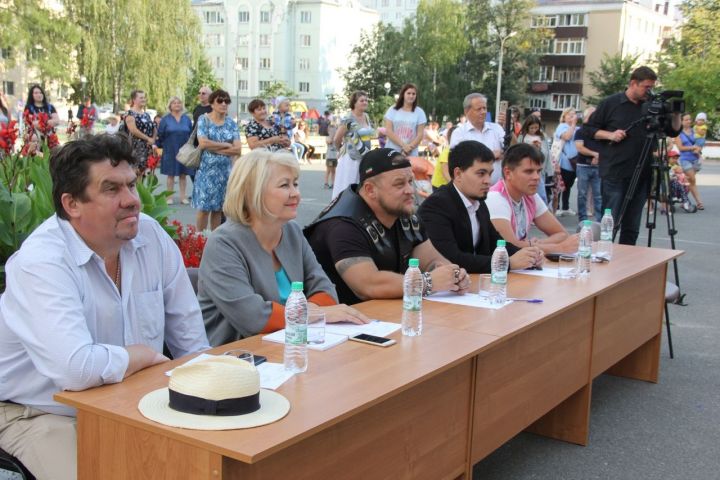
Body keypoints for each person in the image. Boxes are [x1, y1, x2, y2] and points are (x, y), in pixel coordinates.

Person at [0, 134, 210, 480]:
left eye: (131, 184)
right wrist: (140, 355)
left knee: (205, 463)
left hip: (132, 401)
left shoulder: (151, 238)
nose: (132, 201)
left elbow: (192, 343)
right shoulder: (42, 262)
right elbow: (75, 370)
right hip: (41, 412)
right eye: (112, 190)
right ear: (72, 205)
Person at [200, 149, 369, 345]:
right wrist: (316, 314)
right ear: (252, 193)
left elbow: (325, 288)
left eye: (295, 184)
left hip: (294, 347)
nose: (296, 193)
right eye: (284, 185)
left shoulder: (291, 232)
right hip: (239, 360)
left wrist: (308, 315)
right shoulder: (223, 244)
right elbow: (254, 318)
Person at [305, 148, 471, 305]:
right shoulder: (342, 225)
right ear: (370, 190)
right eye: (399, 184)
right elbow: (368, 285)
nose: (410, 190)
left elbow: (432, 260)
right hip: (335, 325)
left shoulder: (402, 213)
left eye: (410, 182)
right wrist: (429, 282)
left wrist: (453, 275)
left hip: (379, 317)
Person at [584, 66, 681, 245]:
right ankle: (604, 257)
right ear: (633, 83)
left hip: (643, 173)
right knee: (610, 223)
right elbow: (588, 130)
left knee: (632, 226)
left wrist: (676, 112)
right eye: (646, 87)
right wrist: (610, 135)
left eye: (652, 87)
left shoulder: (652, 105)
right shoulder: (611, 103)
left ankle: (627, 264)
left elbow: (673, 131)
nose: (649, 91)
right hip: (615, 172)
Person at [418, 140, 544, 273]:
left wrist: (528, 255)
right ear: (458, 174)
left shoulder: (479, 203)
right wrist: (507, 262)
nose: (488, 181)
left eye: (490, 174)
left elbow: (496, 243)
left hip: (473, 285)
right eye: (481, 173)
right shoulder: (436, 206)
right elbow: (450, 258)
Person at [486, 143, 578, 253]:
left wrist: (533, 244)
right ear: (508, 173)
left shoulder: (530, 196)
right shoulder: (496, 198)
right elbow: (509, 247)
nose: (536, 177)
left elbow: (562, 234)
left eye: (538, 171)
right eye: (529, 171)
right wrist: (560, 248)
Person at [193, 89, 242, 231]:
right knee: (203, 209)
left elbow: (237, 149)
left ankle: (214, 238)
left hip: (224, 173)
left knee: (218, 209)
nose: (224, 104)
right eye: (220, 101)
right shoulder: (204, 119)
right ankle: (199, 238)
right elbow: (202, 143)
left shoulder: (231, 124)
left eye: (226, 101)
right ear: (212, 104)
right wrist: (226, 145)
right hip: (206, 172)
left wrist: (214, 148)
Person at [450, 93, 505, 185]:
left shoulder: (497, 128)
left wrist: (508, 127)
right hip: (472, 190)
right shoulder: (459, 133)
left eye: (485, 108)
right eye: (479, 109)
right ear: (467, 111)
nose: (483, 112)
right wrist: (491, 155)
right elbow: (460, 160)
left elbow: (511, 151)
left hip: (498, 189)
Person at [331, 90, 374, 199]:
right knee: (347, 185)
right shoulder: (348, 119)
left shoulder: (367, 117)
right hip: (350, 159)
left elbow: (369, 135)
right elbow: (337, 138)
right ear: (354, 103)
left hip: (365, 157)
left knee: (361, 186)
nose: (365, 102)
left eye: (366, 100)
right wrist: (340, 150)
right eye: (362, 100)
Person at [157, 96, 194, 205]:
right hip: (170, 149)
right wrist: (160, 146)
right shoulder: (165, 119)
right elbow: (160, 134)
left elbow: (191, 134)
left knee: (183, 175)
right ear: (170, 106)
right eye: (174, 103)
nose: (177, 104)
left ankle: (183, 197)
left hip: (184, 150)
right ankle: (169, 197)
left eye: (178, 103)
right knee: (171, 175)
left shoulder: (186, 119)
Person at [574, 106, 603, 222]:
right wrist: (595, 154)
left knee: (599, 195)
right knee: (582, 194)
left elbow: (606, 147)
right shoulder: (580, 131)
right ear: (586, 117)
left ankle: (600, 220)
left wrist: (599, 156)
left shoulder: (600, 132)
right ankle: (582, 218)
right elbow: (579, 148)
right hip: (583, 166)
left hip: (598, 166)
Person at [384, 83, 427, 157]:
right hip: (392, 151)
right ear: (403, 94)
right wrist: (403, 146)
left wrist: (409, 148)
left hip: (411, 153)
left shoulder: (420, 112)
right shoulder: (392, 110)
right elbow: (388, 131)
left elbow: (420, 135)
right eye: (408, 93)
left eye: (414, 94)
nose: (411, 96)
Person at [674, 113, 704, 210]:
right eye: (686, 120)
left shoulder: (694, 130)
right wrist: (692, 147)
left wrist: (698, 148)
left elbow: (700, 142)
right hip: (685, 159)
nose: (689, 121)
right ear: (681, 121)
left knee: (689, 181)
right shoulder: (678, 133)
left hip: (695, 159)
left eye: (689, 119)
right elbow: (680, 148)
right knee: (692, 180)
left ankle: (684, 200)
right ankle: (699, 202)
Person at [518, 115, 551, 204]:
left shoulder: (542, 136)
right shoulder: (522, 137)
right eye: (531, 128)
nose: (534, 130)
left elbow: (547, 153)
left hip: (539, 168)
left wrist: (539, 148)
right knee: (527, 193)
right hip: (526, 167)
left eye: (536, 128)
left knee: (541, 194)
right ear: (527, 127)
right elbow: (518, 151)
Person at [554, 107, 579, 217]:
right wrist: (572, 125)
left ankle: (565, 206)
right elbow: (567, 137)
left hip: (574, 162)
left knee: (569, 185)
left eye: (574, 115)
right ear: (564, 117)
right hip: (563, 161)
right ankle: (557, 206)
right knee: (560, 185)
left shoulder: (577, 128)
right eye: (570, 115)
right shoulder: (562, 127)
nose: (572, 117)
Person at [124, 89, 156, 174]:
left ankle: (141, 187)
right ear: (134, 100)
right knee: (136, 173)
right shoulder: (130, 114)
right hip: (136, 148)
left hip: (147, 148)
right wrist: (148, 138)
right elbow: (133, 130)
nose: (143, 99)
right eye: (141, 98)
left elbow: (153, 127)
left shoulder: (146, 114)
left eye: (144, 97)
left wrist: (153, 139)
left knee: (144, 172)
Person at [22, 84, 60, 153]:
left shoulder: (50, 107)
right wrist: (48, 122)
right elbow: (30, 123)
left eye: (40, 92)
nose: (39, 94)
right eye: (36, 93)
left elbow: (57, 121)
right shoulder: (28, 107)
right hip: (35, 138)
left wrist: (42, 122)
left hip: (50, 137)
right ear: (32, 95)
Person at [430, 126, 456, 191]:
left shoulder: (458, 151)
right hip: (439, 186)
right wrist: (455, 187)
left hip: (447, 184)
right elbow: (445, 172)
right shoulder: (447, 151)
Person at [324, 117, 338, 188]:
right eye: (331, 130)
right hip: (329, 156)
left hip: (335, 156)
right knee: (328, 170)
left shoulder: (336, 137)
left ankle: (333, 183)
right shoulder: (328, 137)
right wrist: (332, 136)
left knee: (334, 171)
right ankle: (326, 183)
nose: (333, 131)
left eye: (334, 130)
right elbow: (329, 141)